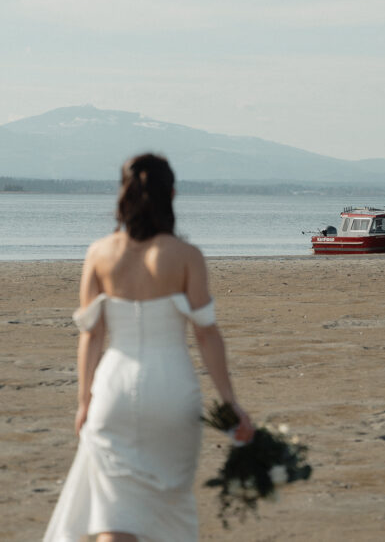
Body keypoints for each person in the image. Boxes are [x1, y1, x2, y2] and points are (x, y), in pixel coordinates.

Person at [44, 153, 253, 542]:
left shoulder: (99, 253)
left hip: (113, 390)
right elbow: (206, 334)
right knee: (169, 510)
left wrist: (84, 402)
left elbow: (91, 335)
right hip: (172, 390)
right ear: (171, 194)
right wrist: (230, 403)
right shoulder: (186, 256)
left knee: (114, 514)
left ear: (123, 195)